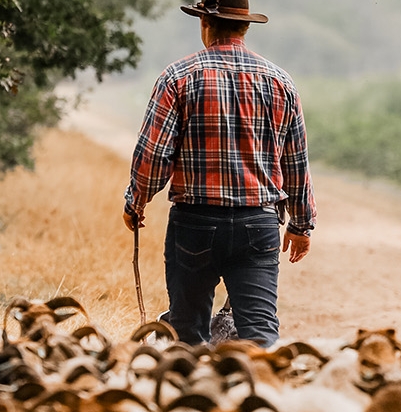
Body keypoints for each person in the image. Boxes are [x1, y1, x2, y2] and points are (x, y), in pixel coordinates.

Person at [122, 0, 314, 348]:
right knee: (259, 332)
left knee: (187, 332)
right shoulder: (280, 81)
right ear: (244, 27)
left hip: (195, 223)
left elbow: (154, 154)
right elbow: (296, 162)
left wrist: (136, 200)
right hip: (259, 223)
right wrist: (301, 225)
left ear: (205, 24)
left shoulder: (178, 77)